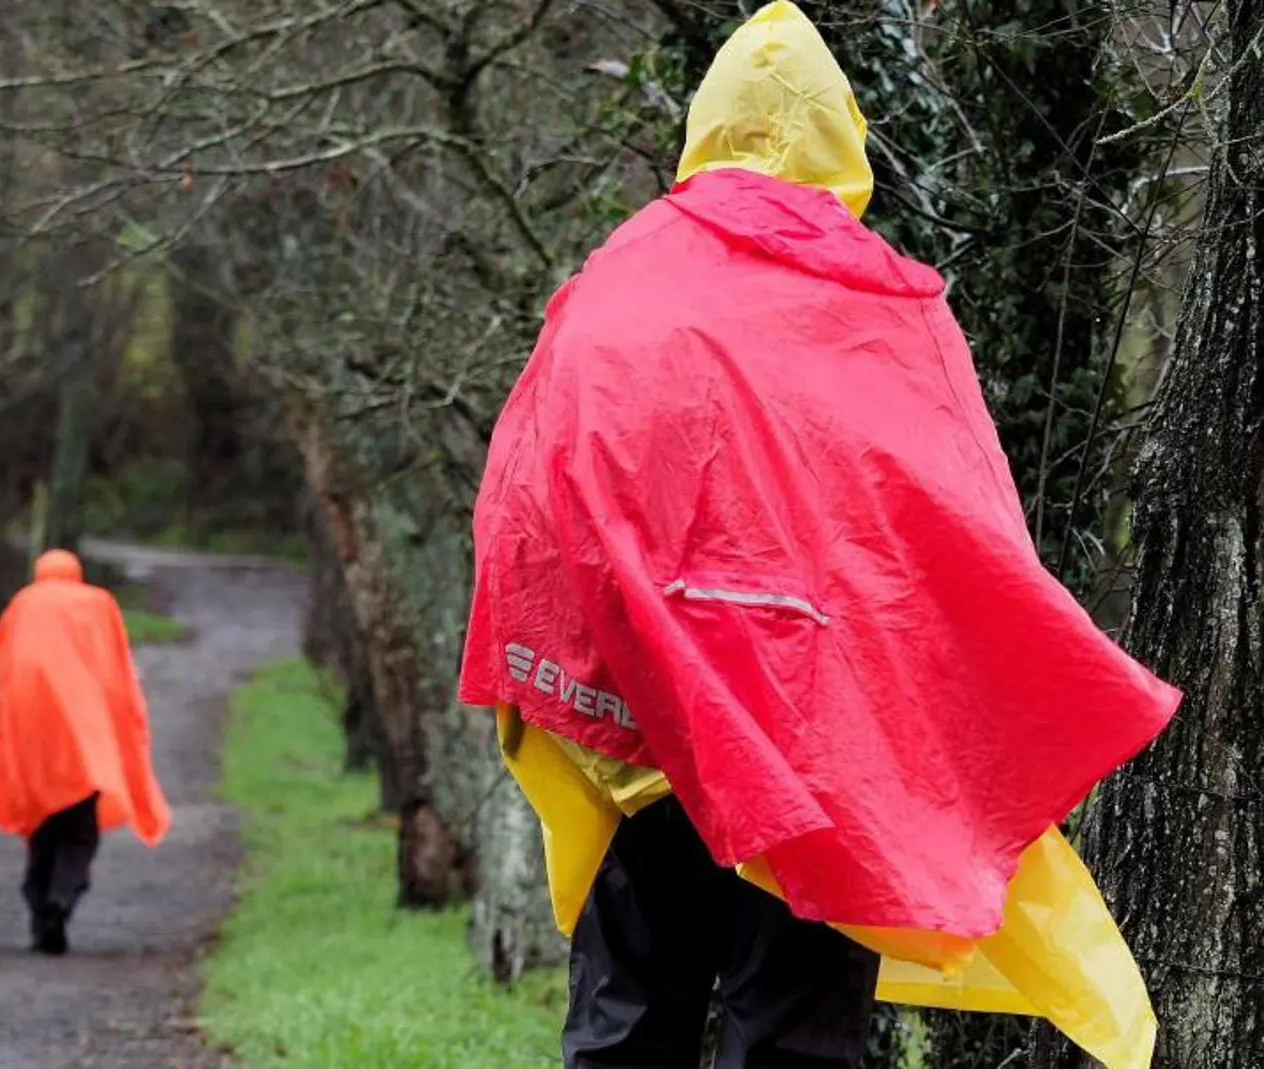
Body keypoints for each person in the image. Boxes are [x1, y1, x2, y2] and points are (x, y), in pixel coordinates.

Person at [457, 4, 1181, 1068]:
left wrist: (580, 687)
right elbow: (955, 528)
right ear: (839, 134)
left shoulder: (613, 285)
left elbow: (524, 503)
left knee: (627, 1017)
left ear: (704, 125)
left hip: (638, 735)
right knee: (793, 1032)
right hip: (817, 748)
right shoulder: (884, 307)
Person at [0, 549, 171, 956]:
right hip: (84, 732)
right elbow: (116, 671)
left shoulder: (22, 605)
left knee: (42, 822)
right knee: (79, 829)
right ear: (76, 575)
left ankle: (38, 901)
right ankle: (61, 898)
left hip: (30, 731)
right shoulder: (99, 605)